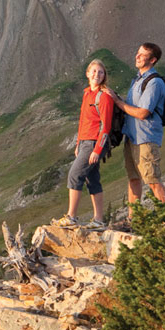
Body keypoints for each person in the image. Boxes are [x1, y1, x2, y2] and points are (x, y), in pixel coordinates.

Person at [55, 59, 114, 229]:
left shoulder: (104, 97)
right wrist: (78, 144)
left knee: (75, 175)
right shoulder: (87, 94)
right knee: (92, 179)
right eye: (94, 71)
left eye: (100, 72)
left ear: (104, 76)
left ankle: (72, 217)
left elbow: (106, 126)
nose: (97, 74)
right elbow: (83, 121)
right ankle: (98, 220)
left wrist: (97, 150)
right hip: (84, 143)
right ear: (87, 73)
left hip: (94, 143)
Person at [108, 42, 165, 205]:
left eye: (143, 55)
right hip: (132, 137)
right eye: (138, 53)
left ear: (153, 60)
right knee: (133, 179)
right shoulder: (137, 80)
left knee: (153, 180)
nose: (137, 56)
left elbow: (142, 113)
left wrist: (117, 102)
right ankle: (132, 220)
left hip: (146, 139)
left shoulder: (154, 83)